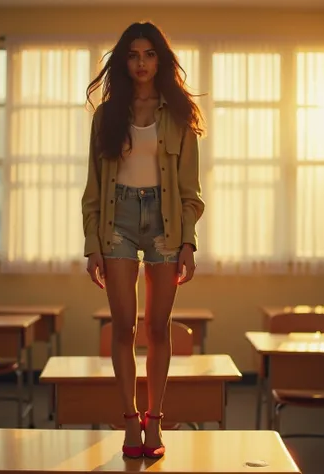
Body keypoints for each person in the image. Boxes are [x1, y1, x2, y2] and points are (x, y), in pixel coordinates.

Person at [81, 21, 205, 458]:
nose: (141, 63)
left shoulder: (180, 114)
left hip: (165, 221)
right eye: (133, 55)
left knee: (157, 328)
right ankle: (129, 422)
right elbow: (93, 186)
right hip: (116, 218)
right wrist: (92, 244)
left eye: (149, 54)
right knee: (123, 326)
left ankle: (155, 421)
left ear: (160, 60)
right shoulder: (107, 115)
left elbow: (191, 192)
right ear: (123, 61)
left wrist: (188, 242)